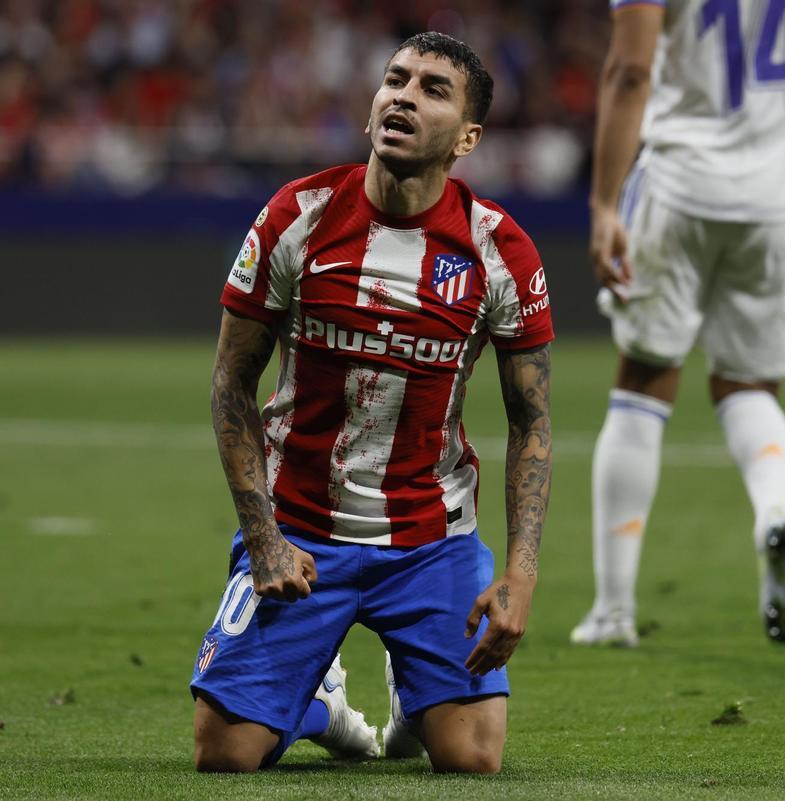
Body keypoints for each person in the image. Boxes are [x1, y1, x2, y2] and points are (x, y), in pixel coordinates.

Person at [188, 32, 554, 774]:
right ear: (370, 108)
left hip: (432, 538)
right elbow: (232, 381)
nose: (403, 96)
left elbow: (532, 420)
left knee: (473, 756)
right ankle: (320, 701)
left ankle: (412, 688)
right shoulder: (298, 215)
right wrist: (262, 537)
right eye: (395, 79)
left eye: (432, 89)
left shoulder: (498, 251)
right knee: (224, 754)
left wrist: (520, 571)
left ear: (468, 138)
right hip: (301, 530)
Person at [570, 0, 785, 647]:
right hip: (778, 197)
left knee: (643, 382)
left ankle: (613, 610)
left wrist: (604, 203)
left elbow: (631, 70)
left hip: (680, 184)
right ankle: (775, 514)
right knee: (750, 385)